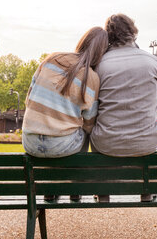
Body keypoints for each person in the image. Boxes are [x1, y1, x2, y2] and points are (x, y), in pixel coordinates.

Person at [90, 14, 157, 202]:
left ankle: (103, 192)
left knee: (94, 132)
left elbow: (93, 109)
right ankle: (146, 190)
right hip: (146, 143)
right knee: (149, 129)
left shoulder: (100, 64)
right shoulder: (152, 61)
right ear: (133, 32)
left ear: (109, 36)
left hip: (107, 143)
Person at [21, 26, 108, 159]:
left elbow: (29, 99)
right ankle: (76, 177)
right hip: (61, 146)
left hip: (29, 142)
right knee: (85, 131)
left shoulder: (53, 59)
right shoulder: (91, 77)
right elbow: (90, 122)